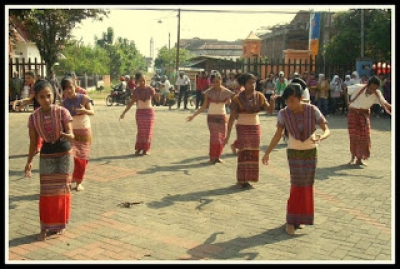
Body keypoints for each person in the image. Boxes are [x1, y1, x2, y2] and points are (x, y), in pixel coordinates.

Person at [262, 84, 330, 235]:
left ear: (301, 98)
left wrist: (321, 137)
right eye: (287, 101)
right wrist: (267, 152)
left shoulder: (312, 110)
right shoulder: (283, 113)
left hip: (311, 152)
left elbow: (326, 129)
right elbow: (278, 134)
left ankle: (301, 219)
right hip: (294, 152)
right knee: (296, 185)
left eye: (293, 100)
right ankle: (291, 220)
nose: (290, 104)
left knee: (307, 186)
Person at [24, 79, 75, 241]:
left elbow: (71, 134)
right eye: (41, 97)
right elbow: (33, 142)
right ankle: (44, 227)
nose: (46, 100)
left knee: (62, 190)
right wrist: (29, 162)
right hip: (47, 154)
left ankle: (60, 224)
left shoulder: (62, 112)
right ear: (36, 99)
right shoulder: (33, 118)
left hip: (64, 153)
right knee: (46, 192)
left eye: (48, 96)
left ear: (54, 95)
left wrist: (69, 135)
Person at [224, 73, 274, 188]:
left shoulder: (260, 96)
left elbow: (270, 111)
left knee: (253, 152)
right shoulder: (237, 99)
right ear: (244, 84)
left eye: (254, 82)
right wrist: (227, 135)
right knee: (243, 151)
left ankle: (250, 178)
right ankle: (241, 179)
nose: (253, 85)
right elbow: (232, 118)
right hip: (242, 126)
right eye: (250, 83)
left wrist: (272, 100)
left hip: (255, 127)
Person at [186, 72, 233, 164]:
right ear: (211, 82)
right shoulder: (208, 92)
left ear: (221, 81)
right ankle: (212, 157)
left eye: (218, 81)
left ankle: (218, 156)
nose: (216, 84)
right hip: (211, 117)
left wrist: (231, 101)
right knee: (214, 137)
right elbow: (204, 106)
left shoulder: (226, 92)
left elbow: (230, 103)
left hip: (222, 117)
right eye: (214, 82)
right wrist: (193, 115)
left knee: (221, 138)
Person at [346, 75, 391, 166]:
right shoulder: (359, 87)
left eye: (375, 89)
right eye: (371, 88)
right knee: (354, 136)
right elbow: (346, 90)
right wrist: (347, 102)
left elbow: (385, 104)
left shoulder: (377, 94)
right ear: (367, 85)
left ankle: (360, 159)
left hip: (364, 115)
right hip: (353, 113)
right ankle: (353, 156)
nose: (372, 91)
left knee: (365, 137)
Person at [60, 75, 94, 191]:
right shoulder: (63, 104)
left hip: (84, 131)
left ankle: (79, 182)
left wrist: (85, 110)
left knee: (82, 159)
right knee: (71, 157)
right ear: (63, 91)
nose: (69, 90)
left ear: (75, 86)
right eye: (65, 89)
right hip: (71, 133)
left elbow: (92, 112)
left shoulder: (83, 98)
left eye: (70, 87)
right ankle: (69, 180)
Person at [120, 72, 156, 156]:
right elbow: (131, 102)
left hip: (149, 113)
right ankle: (139, 148)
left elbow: (157, 98)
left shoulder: (150, 89)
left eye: (144, 80)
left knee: (148, 132)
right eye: (140, 80)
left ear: (146, 80)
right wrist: (124, 113)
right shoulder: (136, 91)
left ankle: (146, 149)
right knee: (141, 132)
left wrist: (158, 95)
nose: (142, 82)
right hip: (140, 113)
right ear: (138, 81)